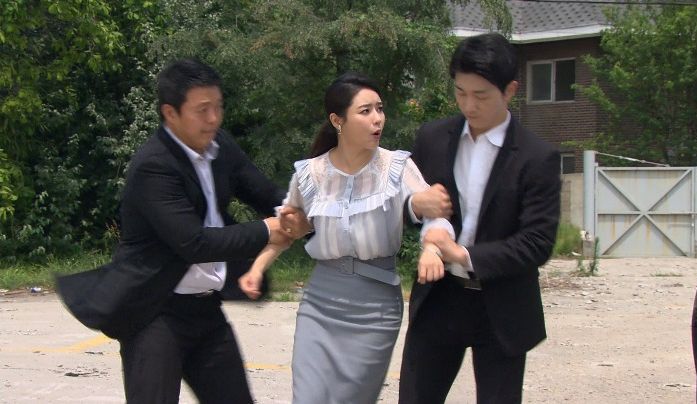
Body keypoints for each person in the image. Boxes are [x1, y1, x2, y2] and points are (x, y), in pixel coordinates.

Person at [56, 58, 309, 404]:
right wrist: (269, 229)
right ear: (170, 113)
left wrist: (298, 212)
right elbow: (195, 243)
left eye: (218, 106)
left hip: (205, 309)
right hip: (154, 312)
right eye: (202, 110)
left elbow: (264, 193)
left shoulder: (221, 146)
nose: (214, 118)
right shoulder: (154, 166)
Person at [249, 72, 453, 404]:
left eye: (380, 109)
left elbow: (436, 213)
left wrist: (431, 248)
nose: (377, 119)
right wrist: (257, 269)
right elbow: (287, 229)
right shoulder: (311, 173)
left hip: (375, 307)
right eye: (365, 111)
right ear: (337, 120)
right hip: (320, 302)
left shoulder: (396, 167)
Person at [398, 33, 562, 404]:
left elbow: (537, 242)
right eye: (460, 92)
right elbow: (406, 205)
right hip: (439, 298)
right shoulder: (433, 137)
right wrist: (415, 206)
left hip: (502, 304)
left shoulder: (537, 157)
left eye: (481, 95)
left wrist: (463, 255)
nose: (469, 105)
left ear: (510, 91)